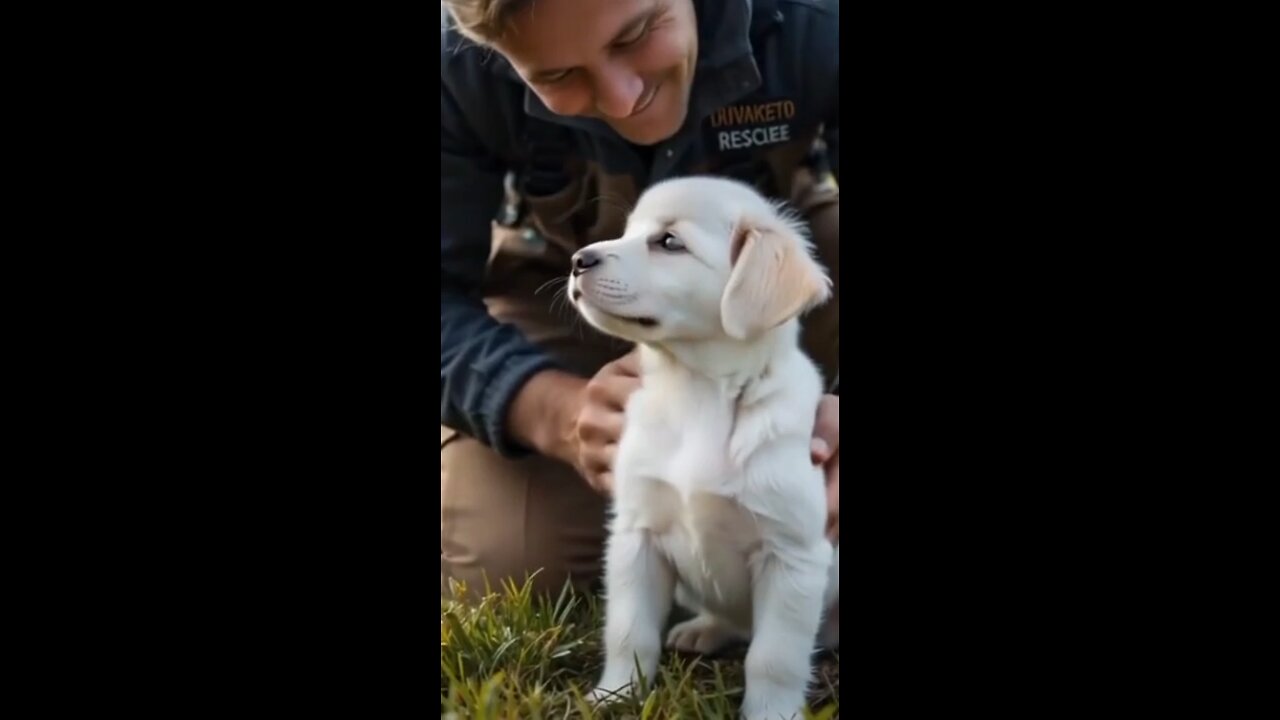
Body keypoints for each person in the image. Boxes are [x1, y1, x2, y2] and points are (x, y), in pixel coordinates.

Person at [440, 0, 841, 599]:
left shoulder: (818, 22)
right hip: (562, 278)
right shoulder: (457, 63)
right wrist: (557, 413)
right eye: (556, 75)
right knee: (515, 567)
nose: (624, 99)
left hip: (770, 273)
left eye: (638, 34)